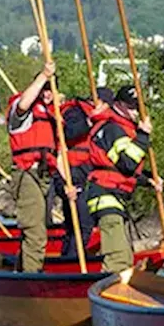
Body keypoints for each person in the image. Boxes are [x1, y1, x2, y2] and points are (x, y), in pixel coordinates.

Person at [85, 86, 162, 273]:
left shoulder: (122, 127)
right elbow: (127, 162)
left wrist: (148, 180)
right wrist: (143, 136)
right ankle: (106, 295)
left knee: (126, 256)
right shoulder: (112, 128)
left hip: (116, 194)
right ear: (118, 105)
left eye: (138, 107)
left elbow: (123, 169)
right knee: (117, 258)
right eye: (131, 107)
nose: (136, 112)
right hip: (106, 196)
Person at [5, 61, 57, 272]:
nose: (47, 95)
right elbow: (24, 103)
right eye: (44, 90)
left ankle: (23, 268)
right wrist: (44, 76)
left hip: (45, 175)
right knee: (35, 231)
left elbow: (58, 154)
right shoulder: (23, 113)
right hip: (27, 173)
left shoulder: (51, 116)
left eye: (51, 91)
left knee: (38, 228)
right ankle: (31, 276)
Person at [52, 87, 113, 256]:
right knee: (82, 227)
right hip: (72, 176)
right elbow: (68, 133)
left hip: (86, 176)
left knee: (75, 228)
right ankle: (70, 266)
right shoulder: (76, 112)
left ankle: (65, 261)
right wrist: (89, 120)